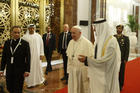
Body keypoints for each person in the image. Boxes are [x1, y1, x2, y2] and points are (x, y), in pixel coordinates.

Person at [78, 20, 121, 93]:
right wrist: (89, 59)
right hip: (97, 74)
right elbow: (96, 57)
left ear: (102, 28)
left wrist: (87, 60)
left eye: (95, 27)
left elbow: (105, 61)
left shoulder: (111, 42)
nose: (94, 30)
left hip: (106, 76)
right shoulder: (97, 41)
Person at [0, 26, 30, 93]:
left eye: (18, 33)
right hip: (9, 69)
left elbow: (28, 58)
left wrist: (27, 70)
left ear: (20, 33)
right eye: (15, 32)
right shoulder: (7, 43)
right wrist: (1, 69)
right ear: (11, 33)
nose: (17, 34)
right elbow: (4, 57)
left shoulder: (25, 44)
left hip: (20, 70)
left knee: (18, 88)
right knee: (9, 87)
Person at [66, 26, 94, 93]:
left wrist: (89, 74)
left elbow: (91, 59)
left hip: (82, 71)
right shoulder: (71, 42)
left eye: (74, 33)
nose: (72, 35)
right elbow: (69, 59)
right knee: (73, 88)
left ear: (80, 33)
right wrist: (68, 70)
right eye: (71, 33)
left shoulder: (87, 43)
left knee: (83, 89)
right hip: (73, 70)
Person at [114, 25, 130, 91]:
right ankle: (114, 84)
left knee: (121, 72)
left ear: (122, 30)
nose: (119, 29)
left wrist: (126, 59)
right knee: (114, 72)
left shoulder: (126, 38)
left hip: (122, 59)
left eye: (120, 28)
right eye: (118, 28)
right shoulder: (113, 37)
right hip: (114, 58)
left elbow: (127, 49)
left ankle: (121, 85)